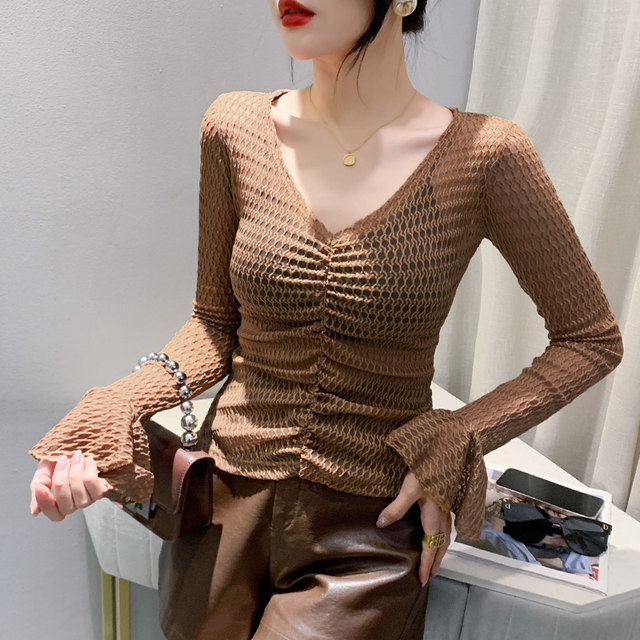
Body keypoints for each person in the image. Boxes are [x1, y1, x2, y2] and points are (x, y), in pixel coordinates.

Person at [28, 1, 624, 638]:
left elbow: (590, 338)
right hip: (219, 508)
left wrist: (461, 434)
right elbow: (213, 323)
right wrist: (118, 406)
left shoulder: (485, 155)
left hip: (369, 526)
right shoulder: (234, 127)